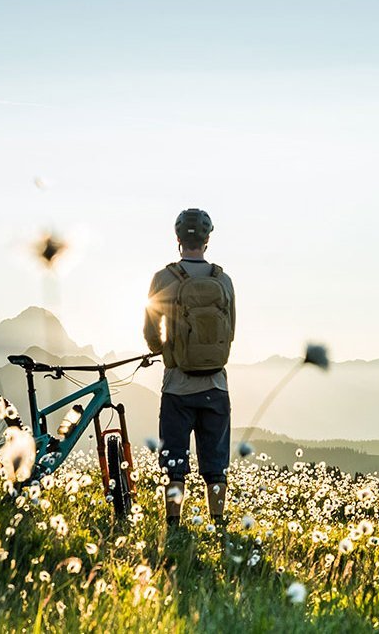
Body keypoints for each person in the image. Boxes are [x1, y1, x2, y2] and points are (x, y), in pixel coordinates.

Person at [143, 208, 237, 528]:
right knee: (215, 464)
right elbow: (231, 331)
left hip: (177, 387)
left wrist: (167, 353)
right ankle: (218, 522)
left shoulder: (164, 278)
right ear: (207, 239)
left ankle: (173, 525)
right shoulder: (223, 280)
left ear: (178, 239)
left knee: (175, 463)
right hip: (216, 386)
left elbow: (149, 329)